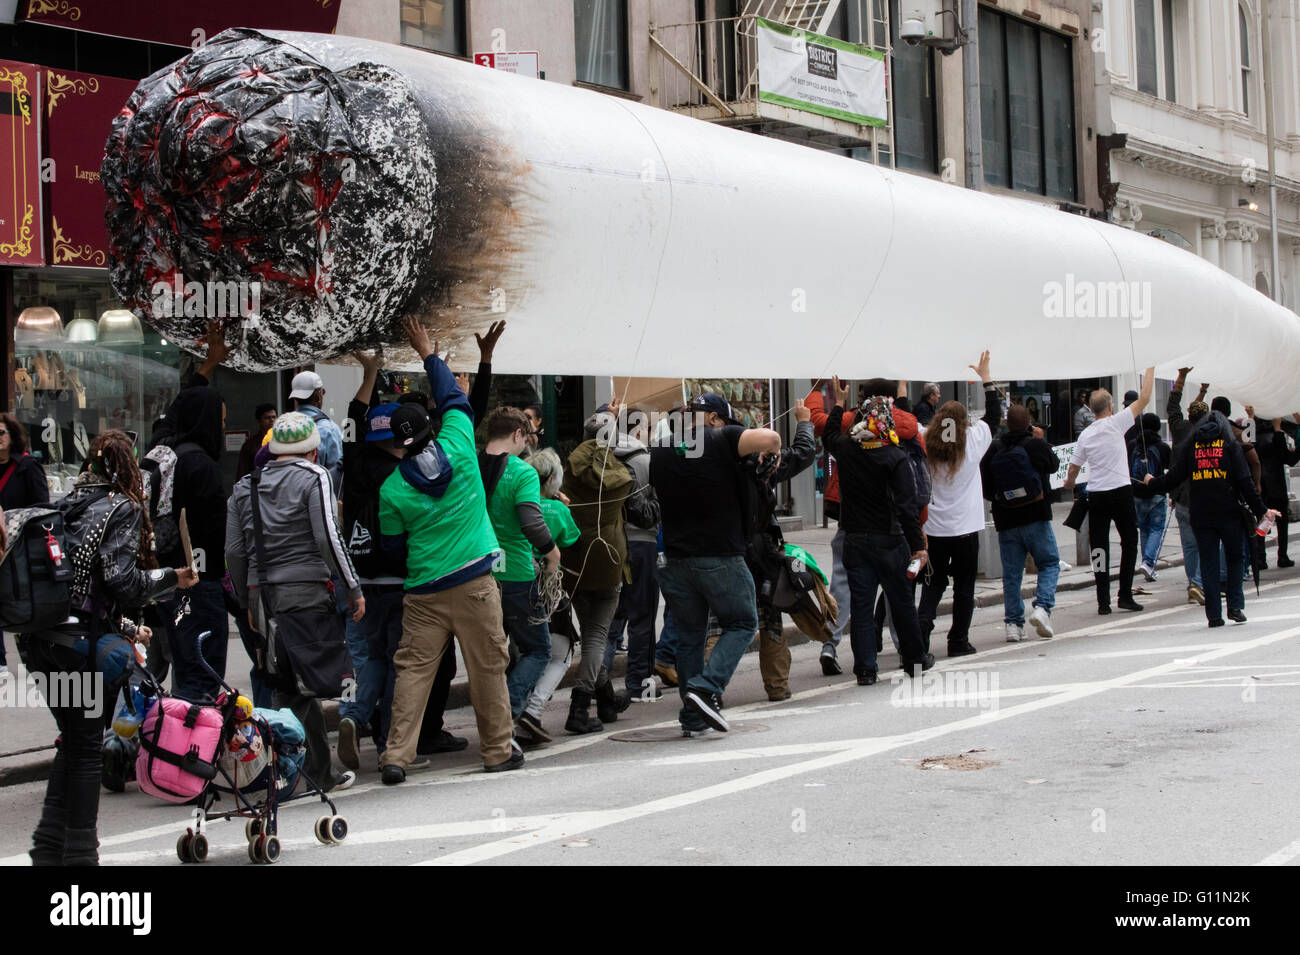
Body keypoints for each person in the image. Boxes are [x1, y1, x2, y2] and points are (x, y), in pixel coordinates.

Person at [20, 431, 197, 865]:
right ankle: (81, 854)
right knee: (84, 749)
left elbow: (82, 589)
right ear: (128, 467)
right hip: (79, 648)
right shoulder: (122, 507)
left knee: (76, 739)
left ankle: (48, 847)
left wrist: (126, 627)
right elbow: (122, 582)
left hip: (42, 642)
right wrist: (172, 577)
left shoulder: (63, 504)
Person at [377, 318, 520, 781]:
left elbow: (392, 548)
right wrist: (427, 354)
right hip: (476, 583)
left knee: (413, 674)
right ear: (430, 428)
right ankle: (498, 750)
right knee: (487, 668)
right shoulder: (458, 441)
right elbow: (457, 399)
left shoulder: (392, 490)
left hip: (423, 592)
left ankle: (396, 756)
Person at [225, 412, 362, 793]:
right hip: (306, 595)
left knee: (285, 686)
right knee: (303, 687)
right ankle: (311, 774)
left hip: (262, 600)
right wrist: (352, 587)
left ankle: (293, 772)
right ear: (313, 451)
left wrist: (245, 602)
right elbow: (327, 538)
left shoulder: (242, 488)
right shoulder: (313, 476)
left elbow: (234, 553)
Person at [651, 394, 782, 731]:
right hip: (719, 555)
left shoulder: (662, 447)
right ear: (712, 419)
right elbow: (772, 438)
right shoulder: (720, 437)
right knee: (742, 622)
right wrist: (766, 449)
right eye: (727, 420)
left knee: (690, 635)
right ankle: (706, 689)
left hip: (674, 559)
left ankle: (693, 716)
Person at [821, 382, 933, 684]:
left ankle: (866, 669)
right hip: (890, 539)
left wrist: (839, 404)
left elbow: (829, 434)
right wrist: (917, 545)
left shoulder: (846, 449)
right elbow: (907, 507)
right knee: (901, 603)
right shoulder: (894, 456)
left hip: (855, 539)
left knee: (861, 605)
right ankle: (915, 660)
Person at [715, 396, 817, 700]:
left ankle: (708, 690)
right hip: (759, 552)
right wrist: (804, 422)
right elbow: (803, 453)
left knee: (715, 622)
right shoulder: (760, 461)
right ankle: (776, 686)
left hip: (722, 549)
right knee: (769, 617)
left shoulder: (706, 462)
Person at [1145, 411, 1277, 627]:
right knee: (1235, 558)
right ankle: (1235, 606)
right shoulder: (1230, 447)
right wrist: (1262, 510)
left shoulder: (1191, 448)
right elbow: (1246, 483)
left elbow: (1173, 478)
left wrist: (1152, 482)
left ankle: (1214, 614)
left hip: (1200, 513)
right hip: (1229, 513)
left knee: (1208, 561)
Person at [480, 406, 561, 725]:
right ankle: (507, 715)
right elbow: (531, 521)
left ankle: (490, 719)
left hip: (476, 572)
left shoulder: (470, 463)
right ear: (516, 434)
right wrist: (552, 553)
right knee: (538, 649)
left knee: (489, 656)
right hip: (514, 572)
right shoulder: (522, 471)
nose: (526, 445)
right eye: (525, 438)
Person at [917, 351, 1000, 657]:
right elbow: (994, 416)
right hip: (966, 528)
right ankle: (958, 641)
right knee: (964, 586)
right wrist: (986, 378)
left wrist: (902, 383)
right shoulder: (974, 441)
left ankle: (922, 630)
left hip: (935, 530)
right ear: (964, 421)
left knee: (933, 584)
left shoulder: (926, 439)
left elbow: (904, 420)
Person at [560, 406, 634, 732]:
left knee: (591, 629)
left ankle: (605, 699)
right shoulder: (621, 475)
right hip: (608, 559)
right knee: (596, 635)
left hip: (573, 558)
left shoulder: (566, 471)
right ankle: (580, 706)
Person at [155, 385, 230, 701]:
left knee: (185, 668)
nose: (223, 428)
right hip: (201, 582)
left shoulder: (168, 458)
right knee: (204, 676)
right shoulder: (202, 466)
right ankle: (194, 745)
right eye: (220, 420)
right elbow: (215, 533)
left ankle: (177, 740)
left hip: (171, 581)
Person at [1063, 367, 1155, 615]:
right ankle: (1125, 593)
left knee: (1100, 547)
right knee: (1130, 542)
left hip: (1098, 495)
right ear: (1111, 406)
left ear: (1091, 410)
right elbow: (1144, 398)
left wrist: (1070, 483)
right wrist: (1150, 367)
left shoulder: (1086, 435)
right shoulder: (1118, 422)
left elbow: (1073, 467)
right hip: (1121, 492)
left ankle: (1103, 600)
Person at [518, 448, 582, 741]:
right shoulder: (558, 510)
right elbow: (571, 538)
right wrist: (562, 506)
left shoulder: (515, 504)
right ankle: (531, 709)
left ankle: (520, 709)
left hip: (511, 584)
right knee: (561, 653)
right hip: (545, 588)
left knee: (522, 652)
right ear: (553, 479)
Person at [982, 403, 1061, 641]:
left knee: (1012, 575)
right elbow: (1054, 465)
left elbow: (986, 488)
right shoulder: (1034, 444)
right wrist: (1041, 440)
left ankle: (1013, 625)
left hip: (1007, 520)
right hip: (1036, 515)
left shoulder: (994, 449)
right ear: (1029, 423)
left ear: (1007, 422)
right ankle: (1042, 607)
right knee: (1049, 563)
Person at [603, 407, 663, 703]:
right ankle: (639, 684)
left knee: (609, 618)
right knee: (642, 616)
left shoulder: (604, 457)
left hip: (608, 544)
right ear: (639, 431)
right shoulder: (647, 461)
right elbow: (658, 506)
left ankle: (597, 683)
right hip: (641, 545)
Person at [803, 382, 853, 676]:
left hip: (852, 514)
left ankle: (830, 644)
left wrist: (817, 389)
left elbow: (819, 424)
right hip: (888, 521)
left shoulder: (850, 422)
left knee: (843, 583)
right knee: (896, 584)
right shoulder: (901, 427)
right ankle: (909, 648)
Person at [0, 413, 49, 679]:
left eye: (1, 433)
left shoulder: (27, 466)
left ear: (12, 435)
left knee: (21, 602)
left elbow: (43, 506)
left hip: (19, 546)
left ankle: (33, 656)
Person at [1166, 370, 1209, 604]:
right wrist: (1202, 392)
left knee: (1189, 545)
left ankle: (1193, 581)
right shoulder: (1209, 435)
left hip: (1181, 496)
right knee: (1207, 542)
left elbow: (1173, 405)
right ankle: (1199, 583)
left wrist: (1181, 377)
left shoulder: (1181, 430)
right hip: (1203, 496)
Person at [1130, 412, 1172, 582]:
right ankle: (1148, 562)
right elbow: (1170, 470)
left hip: (1137, 493)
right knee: (1156, 528)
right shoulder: (1162, 447)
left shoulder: (1133, 444)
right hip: (1157, 493)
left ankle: (1146, 562)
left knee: (1144, 529)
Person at [1255, 413, 1300, 568]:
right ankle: (1282, 556)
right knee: (1282, 521)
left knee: (1263, 520)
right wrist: (1279, 430)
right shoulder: (1276, 437)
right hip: (1276, 485)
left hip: (1260, 485)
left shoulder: (1254, 438)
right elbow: (1289, 459)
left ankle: (1261, 558)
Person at [288, 370, 344, 494]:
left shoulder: (283, 427)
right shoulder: (328, 428)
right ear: (320, 395)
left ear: (296, 397)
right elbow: (335, 475)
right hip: (317, 500)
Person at [236, 404, 277, 481]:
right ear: (259, 421)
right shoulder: (250, 445)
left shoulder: (281, 441)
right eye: (267, 418)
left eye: (274, 417)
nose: (271, 420)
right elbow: (242, 471)